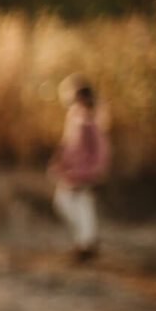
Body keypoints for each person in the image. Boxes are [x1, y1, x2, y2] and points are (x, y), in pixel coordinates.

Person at [50, 75, 110, 262]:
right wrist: (58, 162)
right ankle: (85, 242)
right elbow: (67, 144)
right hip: (73, 169)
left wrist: (97, 167)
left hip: (84, 170)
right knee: (72, 203)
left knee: (75, 203)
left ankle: (86, 244)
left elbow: (101, 146)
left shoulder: (91, 118)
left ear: (82, 96)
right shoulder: (74, 115)